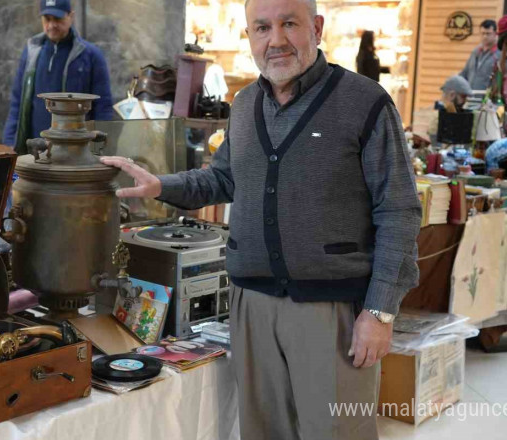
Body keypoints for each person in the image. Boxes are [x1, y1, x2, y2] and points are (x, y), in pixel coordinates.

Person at [102, 0, 421, 438]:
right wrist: (161, 186)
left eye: (290, 24)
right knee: (262, 431)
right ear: (249, 36)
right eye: (262, 27)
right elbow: (222, 178)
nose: (276, 40)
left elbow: (399, 209)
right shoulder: (246, 104)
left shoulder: (365, 102)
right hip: (251, 307)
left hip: (331, 311)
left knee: (337, 431)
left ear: (317, 28)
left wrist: (380, 312)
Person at [2, 0, 113, 154]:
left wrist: (100, 147)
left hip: (76, 150)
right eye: (47, 19)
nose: (52, 25)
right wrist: (9, 141)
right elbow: (17, 101)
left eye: (58, 19)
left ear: (71, 16)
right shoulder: (32, 52)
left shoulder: (91, 55)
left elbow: (103, 106)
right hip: (34, 147)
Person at [459, 19, 507, 91]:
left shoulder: (503, 52)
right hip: (471, 96)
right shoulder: (475, 52)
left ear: (495, 34)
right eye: (482, 33)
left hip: (490, 99)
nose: (485, 36)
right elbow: (465, 73)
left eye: (488, 33)